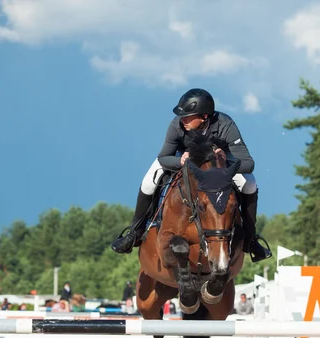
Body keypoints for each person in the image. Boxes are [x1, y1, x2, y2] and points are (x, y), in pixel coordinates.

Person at [111, 88, 271, 263]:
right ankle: (135, 232)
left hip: (221, 164)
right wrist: (180, 162)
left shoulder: (226, 125)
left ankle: (250, 239)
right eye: (182, 116)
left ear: (204, 117)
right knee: (149, 182)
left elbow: (248, 163)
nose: (183, 120)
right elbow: (163, 157)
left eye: (188, 116)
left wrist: (226, 163)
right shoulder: (176, 125)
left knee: (250, 184)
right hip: (181, 159)